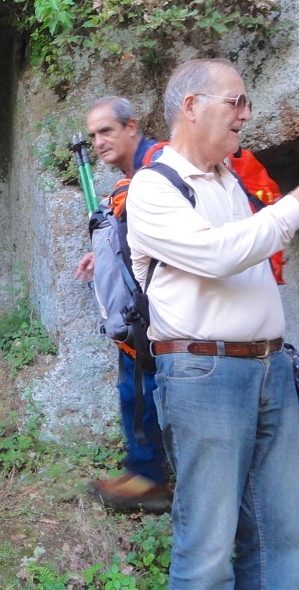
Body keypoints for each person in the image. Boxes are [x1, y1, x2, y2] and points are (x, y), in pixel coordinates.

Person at [125, 58, 299, 589]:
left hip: (272, 368)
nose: (246, 115)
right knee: (208, 545)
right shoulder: (153, 187)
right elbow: (217, 255)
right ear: (191, 106)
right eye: (237, 101)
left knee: (281, 534)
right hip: (204, 374)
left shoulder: (234, 182)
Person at [74, 96, 173, 511]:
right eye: (93, 134)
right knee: (135, 390)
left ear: (131, 126)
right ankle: (145, 472)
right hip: (137, 313)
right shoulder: (131, 178)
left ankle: (153, 479)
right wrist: (104, 253)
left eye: (106, 131)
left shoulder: (161, 168)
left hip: (162, 312)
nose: (98, 141)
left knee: (147, 391)